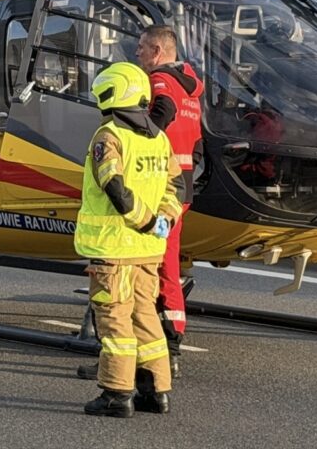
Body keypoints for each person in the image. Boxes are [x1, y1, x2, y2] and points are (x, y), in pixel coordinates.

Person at [76, 62, 185, 418]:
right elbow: (177, 187)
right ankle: (156, 393)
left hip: (114, 248)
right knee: (146, 320)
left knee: (115, 322)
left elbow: (114, 188)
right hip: (148, 250)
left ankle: (116, 394)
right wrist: (162, 223)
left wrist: (144, 220)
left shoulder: (108, 136)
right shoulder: (159, 137)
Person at [135, 24, 204, 377]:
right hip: (183, 186)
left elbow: (161, 113)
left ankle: (163, 344)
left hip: (161, 187)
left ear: (158, 51)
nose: (137, 54)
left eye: (142, 47)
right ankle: (165, 338)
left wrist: (134, 137)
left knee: (155, 265)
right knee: (166, 262)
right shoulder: (191, 87)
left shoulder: (161, 78)